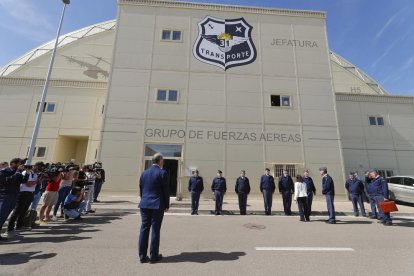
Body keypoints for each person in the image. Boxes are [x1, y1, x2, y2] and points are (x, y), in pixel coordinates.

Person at [138, 153, 170, 264]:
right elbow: (166, 191)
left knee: (144, 229)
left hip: (145, 204)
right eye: (163, 159)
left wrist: (144, 200)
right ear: (160, 160)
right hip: (157, 205)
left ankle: (142, 256)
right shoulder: (162, 173)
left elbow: (141, 189)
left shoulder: (144, 173)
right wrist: (166, 205)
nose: (163, 161)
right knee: (155, 230)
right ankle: (153, 256)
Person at [5, 162, 42, 236]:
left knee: (24, 210)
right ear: (34, 166)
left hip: (30, 193)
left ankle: (19, 226)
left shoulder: (35, 174)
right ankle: (9, 228)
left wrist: (37, 181)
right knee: (17, 210)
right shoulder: (26, 172)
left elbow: (33, 183)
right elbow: (28, 184)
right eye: (38, 167)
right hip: (23, 193)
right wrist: (37, 182)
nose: (39, 168)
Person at [0, 158, 29, 241]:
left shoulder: (18, 172)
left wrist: (27, 173)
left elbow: (23, 181)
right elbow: (7, 181)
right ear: (12, 163)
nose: (20, 165)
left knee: (5, 216)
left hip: (14, 196)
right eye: (19, 163)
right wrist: (17, 172)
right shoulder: (4, 171)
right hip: (5, 196)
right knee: (1, 215)